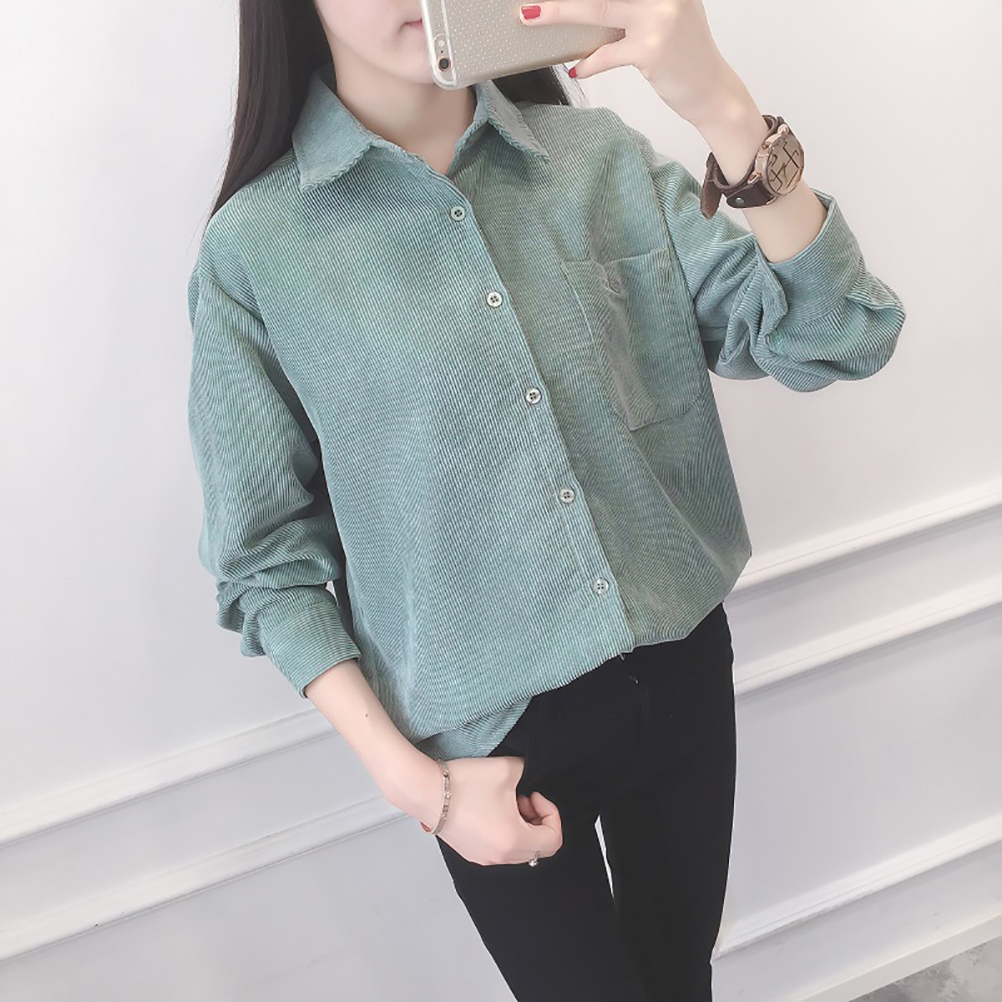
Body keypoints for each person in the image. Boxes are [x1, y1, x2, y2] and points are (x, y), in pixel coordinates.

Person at [185, 2, 907, 999]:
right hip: (490, 749)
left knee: (680, 981)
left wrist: (724, 107)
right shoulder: (255, 251)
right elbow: (265, 561)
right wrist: (421, 788)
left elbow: (838, 336)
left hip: (681, 670)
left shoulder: (598, 160)